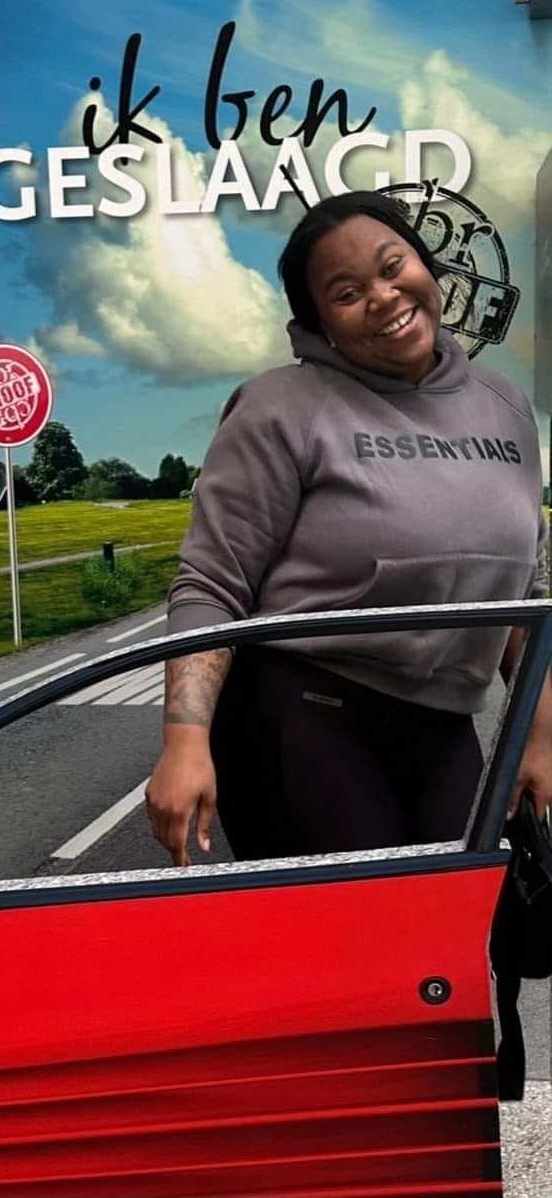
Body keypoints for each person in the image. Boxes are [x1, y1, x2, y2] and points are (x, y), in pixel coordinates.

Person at [146, 190, 552, 866]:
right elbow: (211, 585)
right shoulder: (279, 407)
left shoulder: (503, 406)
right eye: (347, 292)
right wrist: (184, 743)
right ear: (319, 324)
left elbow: (524, 591)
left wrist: (541, 735)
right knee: (361, 925)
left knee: (464, 918)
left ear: (426, 265)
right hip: (304, 716)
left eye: (394, 267)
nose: (384, 297)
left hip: (443, 722)